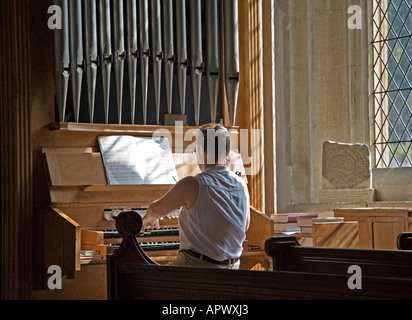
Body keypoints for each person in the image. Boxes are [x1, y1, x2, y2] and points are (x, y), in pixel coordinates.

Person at [142, 123, 250, 269]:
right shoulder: (241, 184)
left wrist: (150, 216)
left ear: (201, 152)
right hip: (233, 269)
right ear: (227, 153)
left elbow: (155, 209)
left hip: (197, 268)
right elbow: (245, 226)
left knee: (149, 279)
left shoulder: (193, 184)